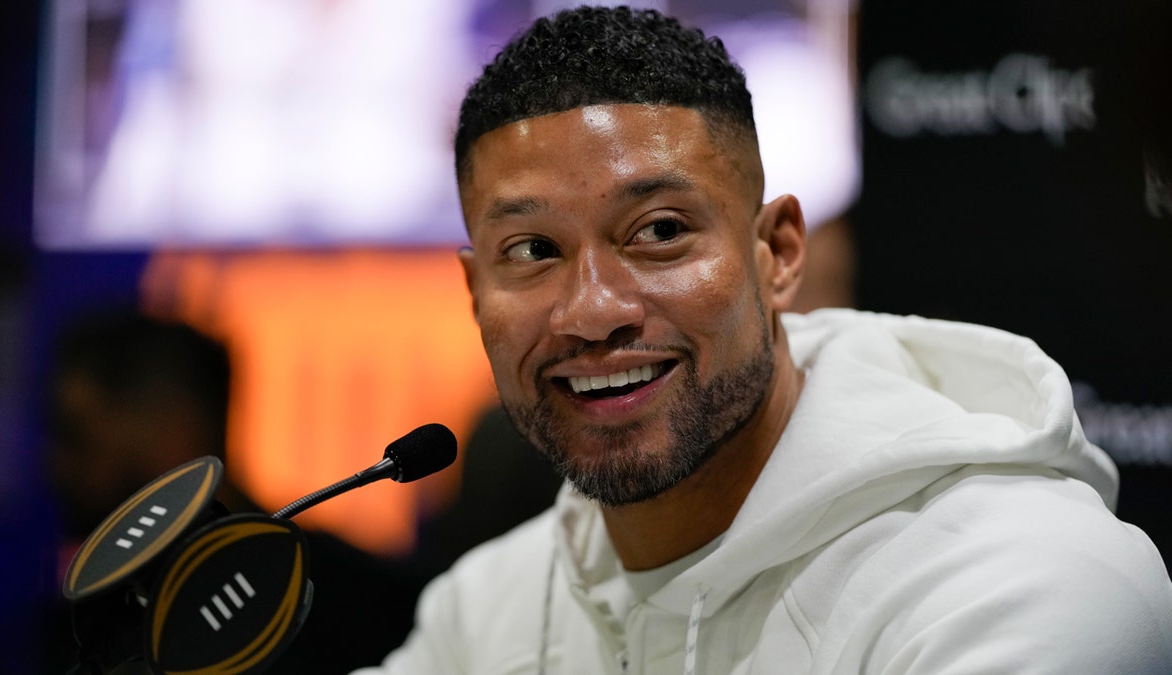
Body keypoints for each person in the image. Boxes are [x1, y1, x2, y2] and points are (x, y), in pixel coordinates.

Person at [351, 6, 1172, 674]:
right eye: (532, 251)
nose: (592, 310)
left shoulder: (1019, 586)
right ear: (474, 292)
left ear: (777, 252)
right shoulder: (488, 608)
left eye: (660, 230)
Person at [42, 308, 424, 674]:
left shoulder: (364, 609)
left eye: (77, 436)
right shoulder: (87, 636)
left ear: (177, 430)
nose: (57, 466)